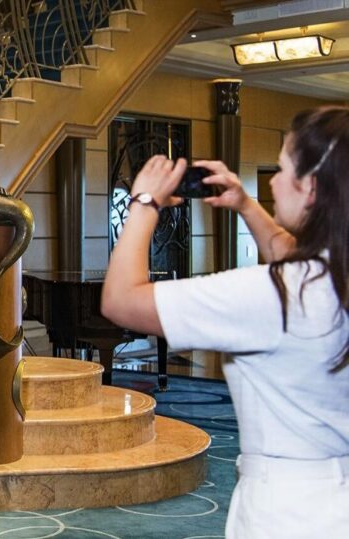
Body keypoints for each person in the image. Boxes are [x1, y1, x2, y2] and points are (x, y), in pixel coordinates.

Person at [101, 106, 349, 538]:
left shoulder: (271, 295)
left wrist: (143, 203)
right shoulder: (330, 278)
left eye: (283, 165)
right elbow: (297, 260)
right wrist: (245, 204)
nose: (270, 180)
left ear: (310, 186)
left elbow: (121, 301)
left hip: (288, 508)